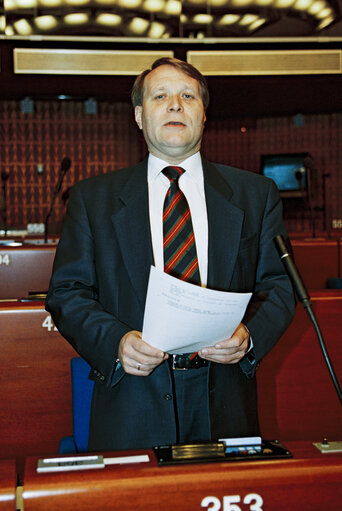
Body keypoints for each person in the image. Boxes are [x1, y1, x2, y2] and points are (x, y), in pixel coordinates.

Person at [46, 57, 295, 452]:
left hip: (226, 397)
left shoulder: (255, 195)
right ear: (140, 116)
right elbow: (67, 293)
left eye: (188, 96)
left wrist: (249, 338)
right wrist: (116, 343)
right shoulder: (93, 200)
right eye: (160, 96)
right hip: (133, 400)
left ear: (203, 113)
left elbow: (280, 287)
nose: (175, 104)